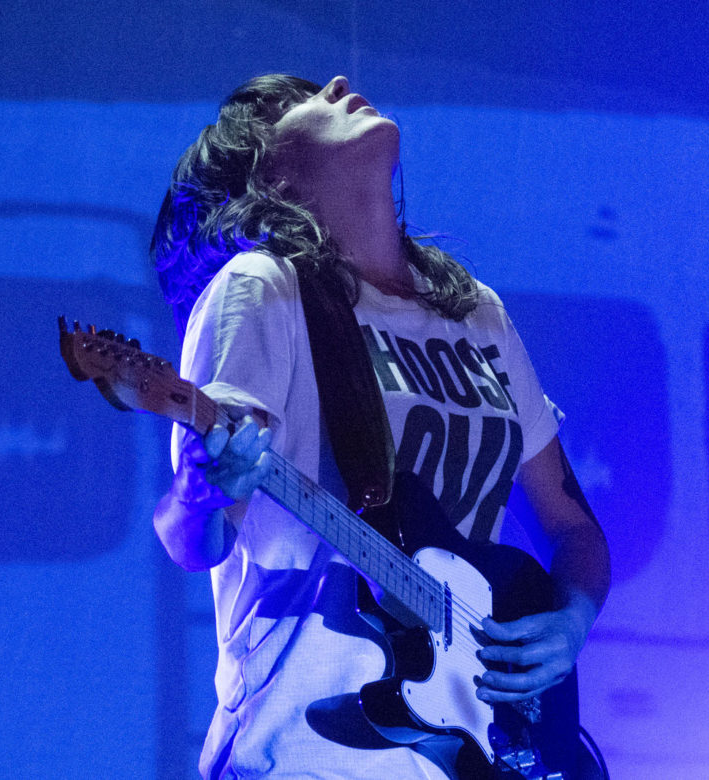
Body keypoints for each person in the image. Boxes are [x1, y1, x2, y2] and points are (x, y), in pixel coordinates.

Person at [150, 74, 610, 778]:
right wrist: (201, 490)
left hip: (464, 750)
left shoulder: (475, 312)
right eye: (300, 101)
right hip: (306, 753)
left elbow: (573, 525)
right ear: (272, 171)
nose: (339, 83)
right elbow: (194, 540)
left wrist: (571, 622)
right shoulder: (260, 288)